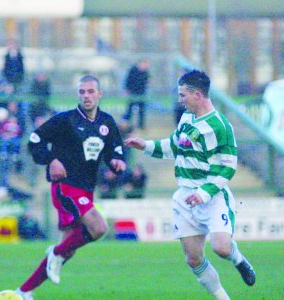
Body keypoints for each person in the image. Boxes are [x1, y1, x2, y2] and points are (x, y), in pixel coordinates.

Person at [124, 70, 256, 300]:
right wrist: (144, 145)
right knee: (193, 258)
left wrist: (204, 194)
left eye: (183, 95)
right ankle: (223, 298)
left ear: (197, 94)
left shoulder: (220, 125)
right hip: (185, 196)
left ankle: (239, 260)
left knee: (221, 247)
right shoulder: (186, 118)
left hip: (212, 196)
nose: (180, 99)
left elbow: (228, 166)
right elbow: (174, 147)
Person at [14, 75, 126, 299]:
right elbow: (35, 140)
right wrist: (51, 160)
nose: (86, 95)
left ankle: (24, 291)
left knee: (69, 246)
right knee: (98, 227)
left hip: (86, 190)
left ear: (99, 94)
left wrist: (116, 160)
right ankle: (55, 253)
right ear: (78, 94)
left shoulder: (106, 123)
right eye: (82, 92)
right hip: (66, 187)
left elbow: (115, 147)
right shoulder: (65, 120)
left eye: (91, 91)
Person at [124, 59, 150, 129]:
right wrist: (127, 90)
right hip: (133, 93)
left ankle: (141, 125)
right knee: (130, 109)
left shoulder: (145, 72)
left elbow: (146, 82)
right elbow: (128, 80)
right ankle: (126, 123)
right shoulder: (133, 70)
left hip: (141, 94)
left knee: (142, 110)